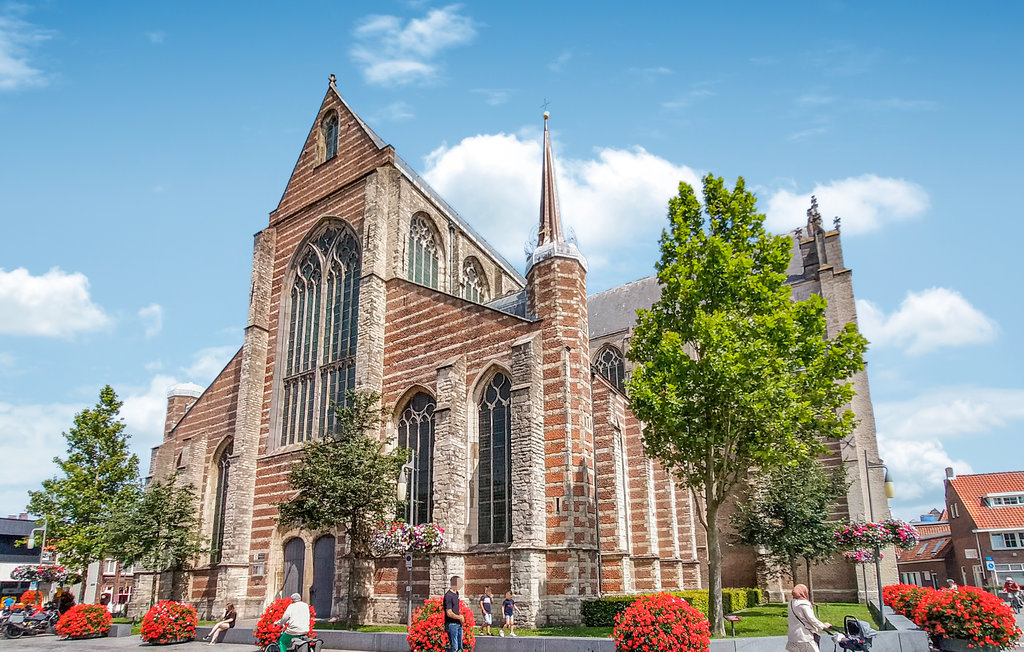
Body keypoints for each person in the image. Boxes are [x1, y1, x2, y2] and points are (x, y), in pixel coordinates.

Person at [787, 584, 830, 652]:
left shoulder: (791, 603)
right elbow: (812, 619)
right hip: (804, 636)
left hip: (793, 636)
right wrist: (823, 626)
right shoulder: (804, 604)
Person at [443, 576, 465, 652]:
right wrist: (459, 617)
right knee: (454, 648)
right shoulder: (448, 596)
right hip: (451, 624)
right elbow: (449, 613)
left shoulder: (456, 594)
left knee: (459, 647)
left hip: (458, 624)